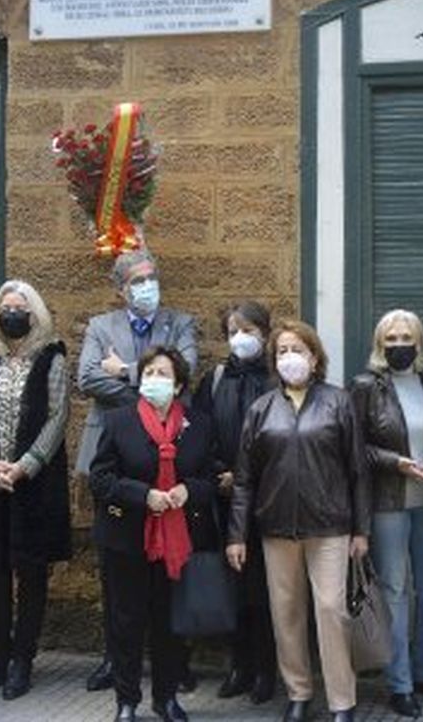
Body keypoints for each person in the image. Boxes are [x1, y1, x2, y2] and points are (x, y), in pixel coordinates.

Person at [227, 319, 371, 722]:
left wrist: (362, 529)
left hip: (330, 527)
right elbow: (243, 480)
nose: (290, 357)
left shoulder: (338, 402)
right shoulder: (261, 409)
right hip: (276, 529)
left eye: (298, 350)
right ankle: (299, 692)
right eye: (282, 351)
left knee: (331, 611)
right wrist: (236, 535)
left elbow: (358, 470)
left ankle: (343, 700)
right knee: (286, 613)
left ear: (314, 356)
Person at [77, 249, 200, 692]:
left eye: (152, 277)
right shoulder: (100, 326)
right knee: (117, 568)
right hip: (114, 456)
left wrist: (126, 371)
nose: (147, 285)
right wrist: (150, 392)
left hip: (169, 460)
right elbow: (88, 379)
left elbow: (186, 371)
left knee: (172, 564)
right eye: (137, 280)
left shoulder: (180, 322)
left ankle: (175, 663)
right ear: (121, 288)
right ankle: (116, 659)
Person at [0, 280, 72, 700]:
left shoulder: (51, 353)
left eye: (20, 307)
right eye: (6, 307)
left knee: (32, 570)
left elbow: (58, 417)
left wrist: (24, 466)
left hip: (34, 483)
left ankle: (24, 656)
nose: (12, 313)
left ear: (34, 312)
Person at [90, 346, 219, 722]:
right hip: (127, 539)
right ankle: (126, 701)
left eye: (163, 374)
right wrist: (142, 495)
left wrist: (188, 490)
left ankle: (166, 698)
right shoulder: (118, 421)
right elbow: (100, 478)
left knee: (171, 623)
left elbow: (212, 477)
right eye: (148, 373)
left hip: (180, 540)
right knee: (126, 621)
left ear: (178, 384)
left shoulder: (199, 425)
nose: (154, 380)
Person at [350, 309, 423, 718]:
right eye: (390, 339)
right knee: (394, 592)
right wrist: (396, 462)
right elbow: (355, 446)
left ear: (419, 341)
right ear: (380, 344)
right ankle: (401, 683)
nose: (399, 346)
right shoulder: (365, 387)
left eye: (405, 338)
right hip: (388, 504)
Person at [191, 301, 278, 706]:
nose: (240, 338)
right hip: (225, 500)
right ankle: (238, 665)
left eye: (248, 329)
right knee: (234, 587)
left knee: (266, 590)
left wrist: (252, 480)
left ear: (265, 332)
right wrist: (219, 473)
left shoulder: (278, 378)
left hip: (270, 502)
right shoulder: (216, 379)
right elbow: (199, 433)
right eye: (232, 331)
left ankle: (267, 668)